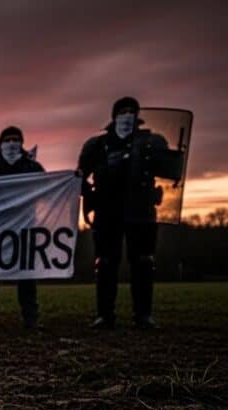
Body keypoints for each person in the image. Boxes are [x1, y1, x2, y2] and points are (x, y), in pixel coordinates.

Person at [77, 97, 169, 329]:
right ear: (114, 115)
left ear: (138, 115)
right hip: (107, 211)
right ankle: (105, 315)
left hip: (141, 211)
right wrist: (91, 196)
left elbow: (169, 172)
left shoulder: (152, 142)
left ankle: (143, 315)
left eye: (131, 111)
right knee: (106, 263)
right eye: (123, 111)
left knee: (143, 263)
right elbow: (79, 176)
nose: (127, 115)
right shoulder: (96, 145)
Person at [0, 127, 45, 329]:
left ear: (22, 143)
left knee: (26, 277)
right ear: (0, 143)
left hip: (25, 227)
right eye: (8, 139)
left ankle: (31, 318)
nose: (12, 143)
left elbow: (46, 191)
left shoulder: (33, 167)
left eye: (16, 139)